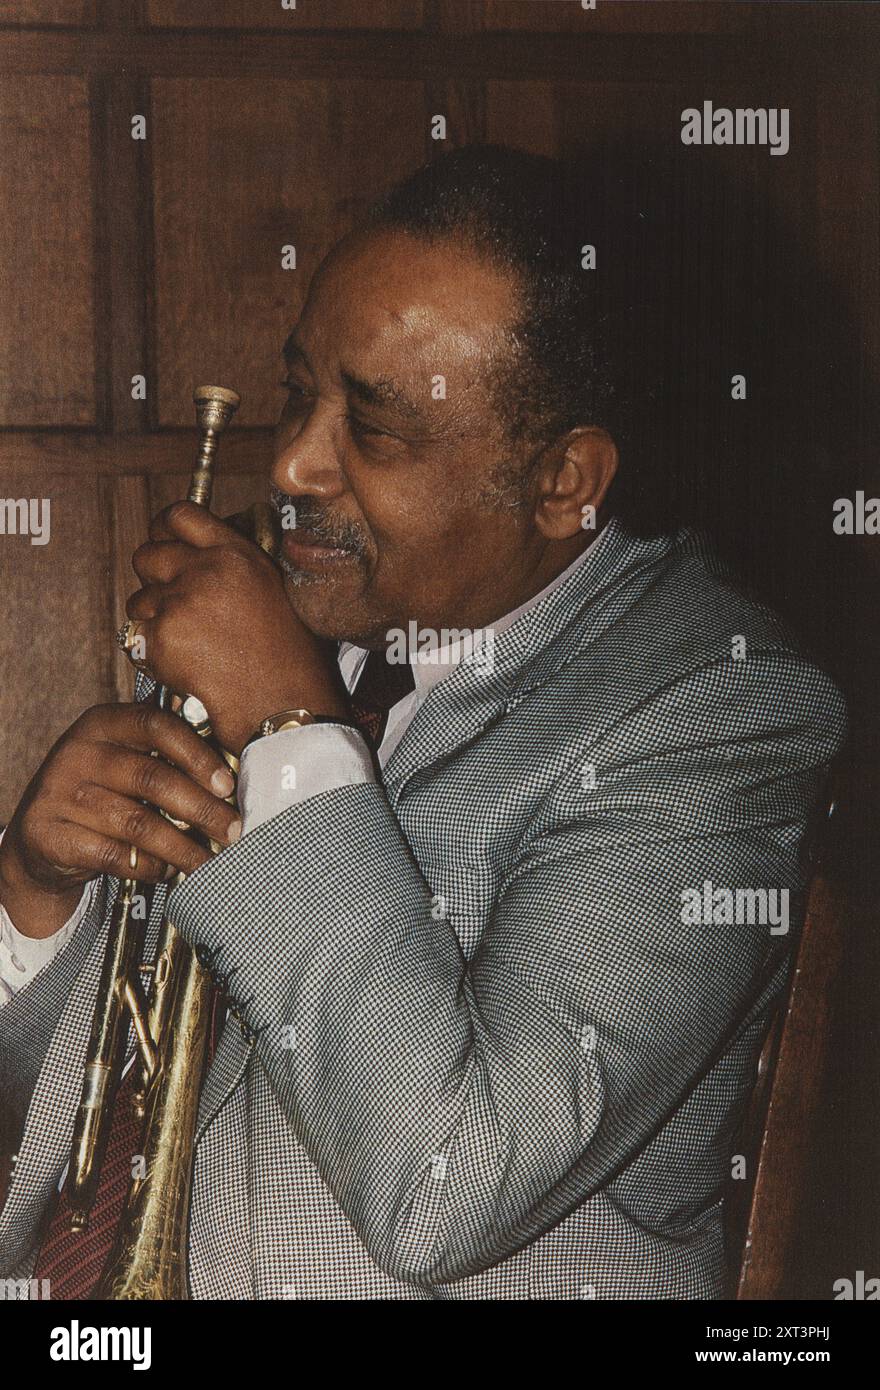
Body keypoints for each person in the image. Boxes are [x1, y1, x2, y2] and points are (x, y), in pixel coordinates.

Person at [0, 145, 846, 1300]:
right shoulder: (285, 606)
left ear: (563, 482)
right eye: (303, 391)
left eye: (378, 431)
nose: (294, 463)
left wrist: (290, 720)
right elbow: (89, 1103)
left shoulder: (718, 710)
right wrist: (37, 903)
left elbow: (449, 1184)